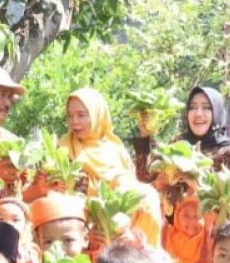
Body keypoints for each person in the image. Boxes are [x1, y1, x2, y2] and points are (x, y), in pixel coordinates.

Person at [59, 88, 164, 247]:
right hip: (82, 230)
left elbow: (132, 194)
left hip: (121, 230)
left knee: (149, 196)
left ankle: (141, 253)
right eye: (70, 115)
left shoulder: (116, 149)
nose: (74, 122)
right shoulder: (64, 149)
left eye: (81, 115)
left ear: (98, 115)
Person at [134, 86, 230, 180]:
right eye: (193, 107)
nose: (198, 113)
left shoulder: (229, 151)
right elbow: (145, 176)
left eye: (206, 107)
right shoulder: (177, 143)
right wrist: (144, 134)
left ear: (216, 113)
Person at [161, 196, 215, 263]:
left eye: (197, 216)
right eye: (185, 215)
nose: (191, 220)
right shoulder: (168, 235)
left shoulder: (207, 236)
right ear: (177, 215)